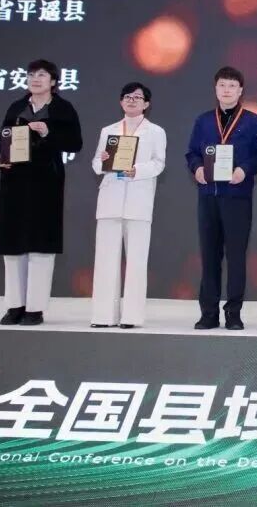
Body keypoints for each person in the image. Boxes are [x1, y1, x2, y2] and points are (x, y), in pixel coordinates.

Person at [0, 59, 83, 326]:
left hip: (45, 185)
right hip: (14, 183)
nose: (35, 79)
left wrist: (48, 132)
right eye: (31, 74)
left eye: (42, 75)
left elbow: (75, 143)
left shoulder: (63, 109)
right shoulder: (17, 106)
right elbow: (1, 139)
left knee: (40, 247)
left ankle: (35, 308)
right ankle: (14, 306)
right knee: (13, 247)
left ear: (53, 81)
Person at [185, 66, 257, 331]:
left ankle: (233, 313)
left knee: (236, 257)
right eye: (222, 85)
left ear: (240, 90)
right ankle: (208, 313)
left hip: (237, 197)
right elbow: (192, 153)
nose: (227, 90)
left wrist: (244, 170)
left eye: (232, 86)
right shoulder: (203, 121)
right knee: (209, 256)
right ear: (215, 89)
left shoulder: (253, 121)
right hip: (208, 196)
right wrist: (197, 169)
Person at [89, 82, 167, 329]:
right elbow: (96, 163)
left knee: (136, 262)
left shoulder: (155, 131)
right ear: (121, 101)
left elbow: (159, 163)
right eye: (127, 97)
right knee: (105, 260)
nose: (132, 101)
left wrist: (137, 170)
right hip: (110, 199)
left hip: (138, 200)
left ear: (146, 104)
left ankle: (131, 316)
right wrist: (102, 161)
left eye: (137, 97)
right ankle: (103, 315)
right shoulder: (109, 130)